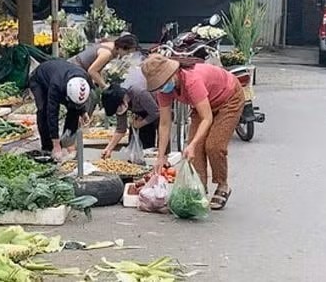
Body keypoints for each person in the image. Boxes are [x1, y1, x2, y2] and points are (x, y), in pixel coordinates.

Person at [142, 53, 243, 211]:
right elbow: (164, 123)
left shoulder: (191, 80)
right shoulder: (164, 89)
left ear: (172, 74)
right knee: (193, 151)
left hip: (228, 98)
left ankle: (222, 185)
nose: (162, 88)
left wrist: (193, 143)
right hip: (203, 104)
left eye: (162, 83)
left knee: (213, 146)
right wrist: (161, 156)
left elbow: (207, 118)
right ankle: (199, 190)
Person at [28, 59, 93, 160]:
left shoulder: (85, 78)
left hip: (61, 75)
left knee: (73, 110)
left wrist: (83, 111)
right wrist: (56, 143)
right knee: (43, 110)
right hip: (40, 80)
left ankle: (67, 142)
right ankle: (48, 147)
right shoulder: (56, 86)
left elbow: (80, 100)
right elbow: (52, 113)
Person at [99, 68, 159, 159]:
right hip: (137, 115)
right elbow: (121, 129)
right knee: (133, 140)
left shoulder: (139, 92)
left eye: (118, 109)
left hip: (154, 107)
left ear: (122, 101)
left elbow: (156, 112)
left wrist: (141, 123)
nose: (119, 112)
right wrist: (109, 149)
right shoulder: (118, 102)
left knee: (147, 142)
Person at [73, 33, 138, 90]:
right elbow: (92, 71)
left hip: (81, 68)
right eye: (128, 52)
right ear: (122, 47)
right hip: (75, 68)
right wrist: (104, 87)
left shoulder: (112, 46)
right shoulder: (107, 54)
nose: (127, 55)